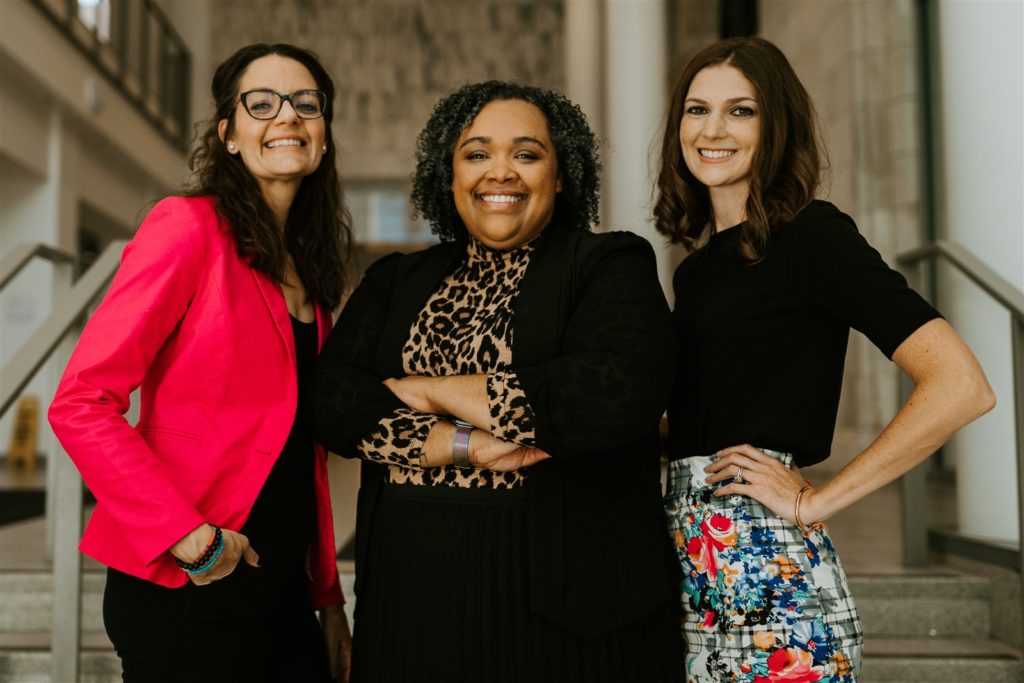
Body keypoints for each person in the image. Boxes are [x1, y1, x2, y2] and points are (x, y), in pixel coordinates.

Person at [306, 80, 686, 683]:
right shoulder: (396, 278)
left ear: (560, 177)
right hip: (411, 605)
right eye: (476, 153)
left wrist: (426, 389)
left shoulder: (609, 262)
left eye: (527, 154)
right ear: (448, 175)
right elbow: (332, 401)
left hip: (571, 617)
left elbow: (613, 393)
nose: (499, 172)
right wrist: (468, 445)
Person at [654, 36, 995, 682]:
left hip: (774, 579)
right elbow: (706, 419)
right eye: (696, 110)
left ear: (776, 124)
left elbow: (960, 384)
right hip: (691, 571)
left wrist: (821, 500)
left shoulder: (813, 237)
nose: (712, 129)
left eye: (741, 110)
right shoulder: (697, 272)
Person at [48, 43, 353, 682]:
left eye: (306, 104)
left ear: (323, 134)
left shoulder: (311, 270)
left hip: (281, 587)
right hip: (189, 577)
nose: (287, 117)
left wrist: (326, 595)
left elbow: (305, 452)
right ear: (230, 135)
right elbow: (80, 401)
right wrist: (187, 536)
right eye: (261, 103)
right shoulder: (186, 228)